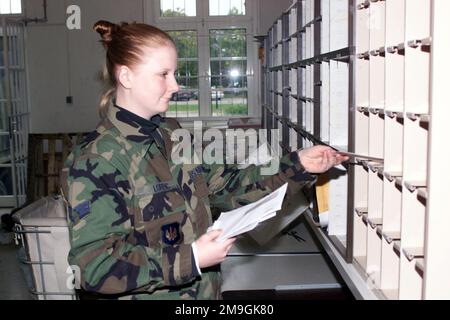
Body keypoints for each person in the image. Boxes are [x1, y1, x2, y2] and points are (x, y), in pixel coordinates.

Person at [61, 20, 348, 300]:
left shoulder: (169, 133)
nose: (175, 85)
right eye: (164, 74)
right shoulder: (96, 159)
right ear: (126, 77)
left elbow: (225, 184)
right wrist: (193, 257)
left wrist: (298, 164)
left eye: (174, 73)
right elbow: (93, 267)